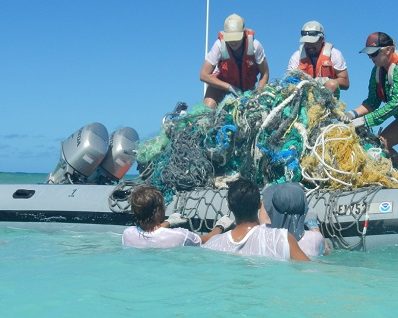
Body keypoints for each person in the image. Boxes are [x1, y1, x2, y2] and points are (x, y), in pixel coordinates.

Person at [203, 178, 310, 261]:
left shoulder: (213, 245)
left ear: (230, 207)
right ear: (259, 205)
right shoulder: (281, 239)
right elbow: (308, 270)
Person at [343, 32, 398, 167]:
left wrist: (365, 121)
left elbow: (396, 102)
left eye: (374, 53)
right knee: (381, 144)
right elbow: (372, 102)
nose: (370, 57)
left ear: (389, 50)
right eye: (368, 54)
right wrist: (351, 115)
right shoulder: (377, 71)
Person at [122, 185, 234, 248]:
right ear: (159, 211)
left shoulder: (127, 234)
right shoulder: (180, 236)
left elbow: (151, 234)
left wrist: (168, 222)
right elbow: (204, 240)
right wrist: (220, 227)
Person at [200, 13, 270, 108]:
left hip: (247, 90)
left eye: (236, 37)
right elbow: (203, 75)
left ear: (243, 32)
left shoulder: (255, 46)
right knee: (209, 106)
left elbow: (265, 73)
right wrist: (229, 87)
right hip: (221, 85)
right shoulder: (219, 45)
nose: (233, 42)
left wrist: (258, 93)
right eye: (230, 38)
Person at [261, 183, 327, 258]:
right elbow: (326, 251)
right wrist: (314, 226)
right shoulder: (315, 238)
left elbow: (264, 223)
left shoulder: (266, 240)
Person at [287, 20, 349, 96]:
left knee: (331, 84)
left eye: (313, 42)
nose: (309, 45)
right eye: (307, 42)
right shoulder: (297, 56)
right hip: (302, 95)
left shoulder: (335, 54)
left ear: (322, 39)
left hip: (327, 96)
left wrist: (324, 81)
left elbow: (345, 83)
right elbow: (288, 81)